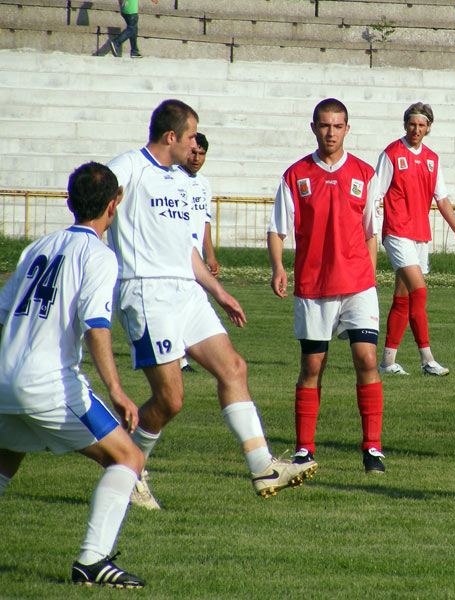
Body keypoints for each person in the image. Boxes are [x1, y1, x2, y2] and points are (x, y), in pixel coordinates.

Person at [107, 99, 316, 510]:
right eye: (190, 137)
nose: (195, 145)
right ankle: (127, 468)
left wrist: (219, 293)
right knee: (170, 399)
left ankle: (262, 466)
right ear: (171, 136)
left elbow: (186, 250)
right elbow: (92, 200)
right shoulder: (129, 167)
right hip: (148, 293)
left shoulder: (180, 181)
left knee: (234, 367)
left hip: (188, 293)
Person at [0, 162, 146, 587]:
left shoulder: (38, 247)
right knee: (128, 457)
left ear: (69, 201)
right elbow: (96, 325)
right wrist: (116, 389)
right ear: (115, 203)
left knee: (7, 455)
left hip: (4, 378)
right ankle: (92, 561)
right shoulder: (99, 255)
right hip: (48, 385)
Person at [268, 98, 386, 474]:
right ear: (314, 128)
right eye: (324, 125)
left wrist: (368, 278)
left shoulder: (365, 174)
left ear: (347, 129)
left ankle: (372, 448)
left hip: (357, 285)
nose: (330, 132)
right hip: (313, 285)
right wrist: (278, 267)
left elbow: (371, 233)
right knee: (312, 366)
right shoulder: (296, 175)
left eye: (337, 126)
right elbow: (277, 230)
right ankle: (304, 449)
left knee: (367, 359)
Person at [375, 102, 455, 377]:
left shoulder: (431, 159)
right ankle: (427, 360)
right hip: (397, 232)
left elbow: (442, 198)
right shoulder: (392, 153)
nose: (416, 129)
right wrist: (367, 228)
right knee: (419, 291)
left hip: (419, 235)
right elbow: (375, 194)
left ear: (428, 128)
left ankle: (387, 362)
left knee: (402, 298)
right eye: (412, 124)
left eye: (421, 125)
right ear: (405, 125)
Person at [179, 132, 220, 374]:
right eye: (193, 152)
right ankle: (180, 359)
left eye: (201, 154)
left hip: (197, 257)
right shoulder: (174, 179)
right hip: (178, 254)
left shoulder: (204, 184)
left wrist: (210, 254)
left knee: (190, 305)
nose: (196, 158)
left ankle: (184, 353)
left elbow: (205, 220)